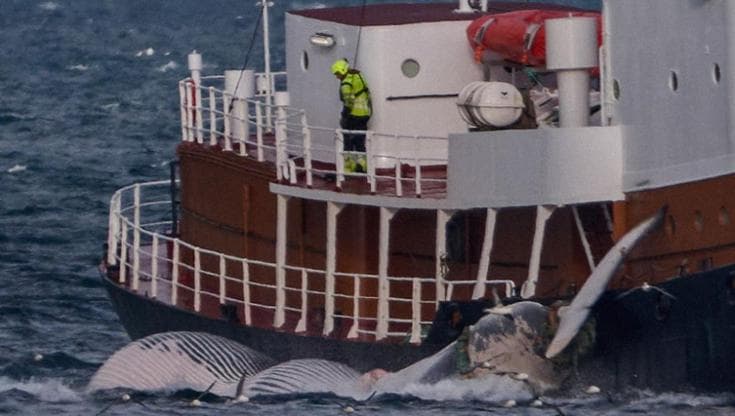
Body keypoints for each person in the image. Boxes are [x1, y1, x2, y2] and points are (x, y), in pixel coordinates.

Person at [331, 58, 371, 173]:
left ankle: (349, 167)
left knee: (348, 141)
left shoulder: (346, 83)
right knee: (360, 142)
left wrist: (344, 116)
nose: (337, 77)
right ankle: (363, 166)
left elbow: (349, 101)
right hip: (365, 114)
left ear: (342, 71)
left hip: (353, 115)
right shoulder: (359, 76)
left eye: (337, 74)